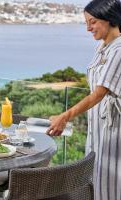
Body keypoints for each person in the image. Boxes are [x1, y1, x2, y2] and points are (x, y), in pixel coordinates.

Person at [46, 0, 121, 199]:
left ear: (110, 19)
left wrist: (66, 115)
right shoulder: (103, 47)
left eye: (93, 22)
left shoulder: (119, 49)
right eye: (86, 22)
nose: (88, 28)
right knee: (95, 182)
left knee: (110, 187)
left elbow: (98, 93)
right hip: (97, 127)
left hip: (114, 130)